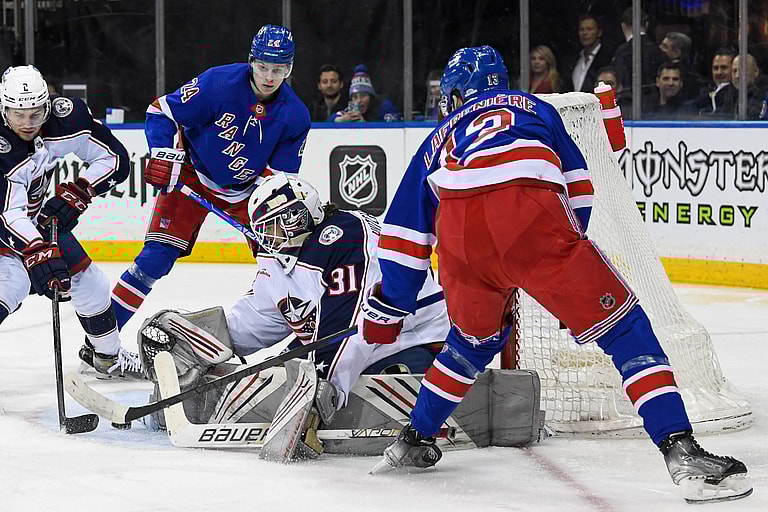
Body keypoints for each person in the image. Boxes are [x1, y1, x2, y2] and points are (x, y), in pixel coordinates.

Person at [360, 46, 752, 504]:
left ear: (455, 95)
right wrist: (564, 266)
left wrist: (388, 310)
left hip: (461, 238)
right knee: (624, 328)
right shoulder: (536, 107)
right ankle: (682, 452)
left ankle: (413, 439)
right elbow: (580, 186)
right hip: (531, 216)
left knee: (470, 343)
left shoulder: (439, 136)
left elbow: (405, 231)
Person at [140, 173, 449, 446]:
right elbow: (260, 319)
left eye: (278, 223)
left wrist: (321, 390)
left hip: (411, 337)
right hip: (334, 339)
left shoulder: (346, 237)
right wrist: (205, 337)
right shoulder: (280, 256)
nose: (272, 236)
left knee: (369, 380)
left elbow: (352, 327)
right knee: (273, 378)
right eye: (265, 229)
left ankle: (435, 404)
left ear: (302, 215)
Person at [102, 24, 311, 355]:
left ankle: (303, 350)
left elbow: (279, 177)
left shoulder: (296, 115)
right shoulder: (218, 84)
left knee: (285, 267)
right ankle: (101, 344)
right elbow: (162, 111)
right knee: (154, 260)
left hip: (250, 192)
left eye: (279, 69)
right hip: (190, 175)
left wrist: (257, 203)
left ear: (290, 69)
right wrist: (162, 152)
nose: (270, 76)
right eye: (263, 67)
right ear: (251, 62)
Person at [0, 65, 141, 378]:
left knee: (91, 283)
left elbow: (114, 158)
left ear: (47, 106)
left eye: (35, 113)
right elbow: (7, 214)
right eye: (18, 115)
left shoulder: (65, 121)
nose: (27, 123)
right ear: (3, 109)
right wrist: (37, 249)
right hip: (6, 228)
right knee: (11, 287)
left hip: (31, 222)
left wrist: (78, 192)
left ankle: (107, 359)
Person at [611, 8, 666, 93]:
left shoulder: (622, 52)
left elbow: (622, 79)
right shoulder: (658, 51)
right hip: (655, 100)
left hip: (630, 100)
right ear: (647, 24)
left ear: (623, 26)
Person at [330, 65, 402, 122]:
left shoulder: (386, 107)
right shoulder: (351, 110)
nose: (358, 100)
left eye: (363, 96)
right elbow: (330, 120)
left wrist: (364, 125)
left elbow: (391, 133)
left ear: (370, 96)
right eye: (355, 97)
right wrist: (340, 120)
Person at [561, 14, 613, 93]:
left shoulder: (608, 57)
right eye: (582, 29)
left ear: (599, 32)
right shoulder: (573, 59)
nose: (584, 33)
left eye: (589, 29)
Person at [689, 48, 737, 119]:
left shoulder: (736, 94)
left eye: (724, 68)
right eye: (715, 68)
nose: (719, 72)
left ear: (733, 69)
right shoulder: (705, 91)